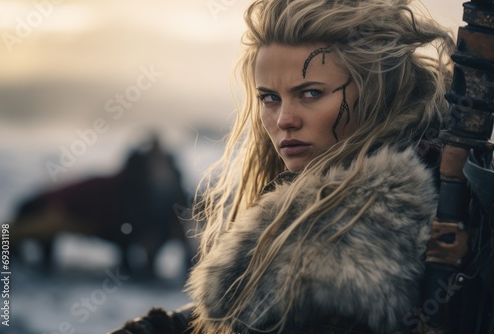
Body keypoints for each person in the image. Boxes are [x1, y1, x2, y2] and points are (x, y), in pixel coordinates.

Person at [108, 0, 454, 333]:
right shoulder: (428, 181)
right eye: (269, 98)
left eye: (310, 93)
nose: (284, 120)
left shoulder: (342, 237)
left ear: (377, 90)